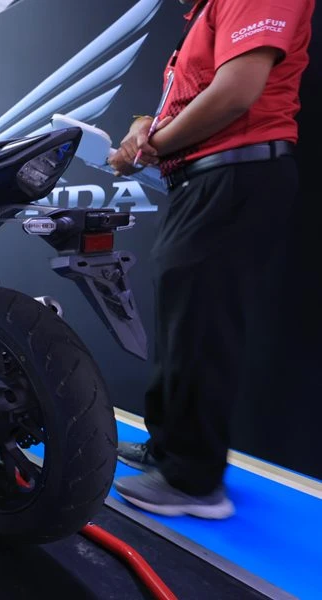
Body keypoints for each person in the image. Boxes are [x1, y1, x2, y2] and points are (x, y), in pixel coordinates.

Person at [108, 0, 314, 519]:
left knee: (203, 325)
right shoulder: (204, 12)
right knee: (185, 320)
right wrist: (144, 126)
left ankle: (194, 482)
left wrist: (151, 146)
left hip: (236, 173)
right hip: (202, 179)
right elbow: (191, 95)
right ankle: (168, 450)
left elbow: (236, 92)